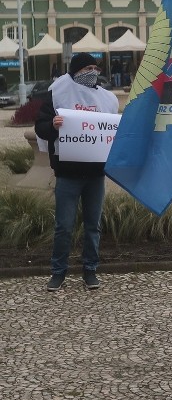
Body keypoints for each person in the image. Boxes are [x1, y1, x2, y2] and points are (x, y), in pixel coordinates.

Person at [34, 52, 119, 291]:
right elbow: (40, 127)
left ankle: (90, 270)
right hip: (68, 173)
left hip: (95, 174)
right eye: (86, 68)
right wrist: (52, 125)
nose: (92, 72)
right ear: (75, 71)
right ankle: (58, 272)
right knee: (64, 226)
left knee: (93, 225)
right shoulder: (58, 94)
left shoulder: (108, 99)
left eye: (95, 67)